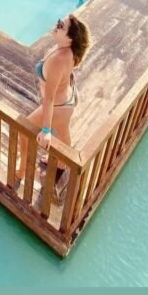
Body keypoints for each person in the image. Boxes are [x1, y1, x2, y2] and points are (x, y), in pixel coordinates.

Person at [15, 14, 91, 203]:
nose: (56, 26)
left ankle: (22, 170)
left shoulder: (59, 58)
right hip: (67, 101)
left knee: (24, 130)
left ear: (70, 38)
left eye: (61, 26)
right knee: (63, 132)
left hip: (57, 105)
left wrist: (46, 131)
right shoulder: (66, 50)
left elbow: (48, 98)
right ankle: (62, 164)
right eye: (59, 22)